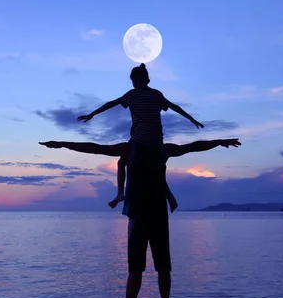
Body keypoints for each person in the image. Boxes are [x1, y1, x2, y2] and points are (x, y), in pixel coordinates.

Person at [39, 137, 241, 298]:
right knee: (150, 267)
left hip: (145, 215)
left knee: (151, 266)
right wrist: (63, 144)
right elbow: (96, 148)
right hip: (148, 214)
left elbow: (191, 147)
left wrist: (218, 142)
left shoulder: (140, 149)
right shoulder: (151, 149)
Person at [77, 63, 205, 212]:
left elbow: (112, 104)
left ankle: (119, 194)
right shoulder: (157, 94)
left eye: (133, 81)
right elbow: (174, 106)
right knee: (156, 169)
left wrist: (92, 114)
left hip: (140, 139)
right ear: (148, 80)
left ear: (136, 80)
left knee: (122, 162)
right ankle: (170, 197)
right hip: (157, 139)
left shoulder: (132, 94)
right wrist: (191, 119)